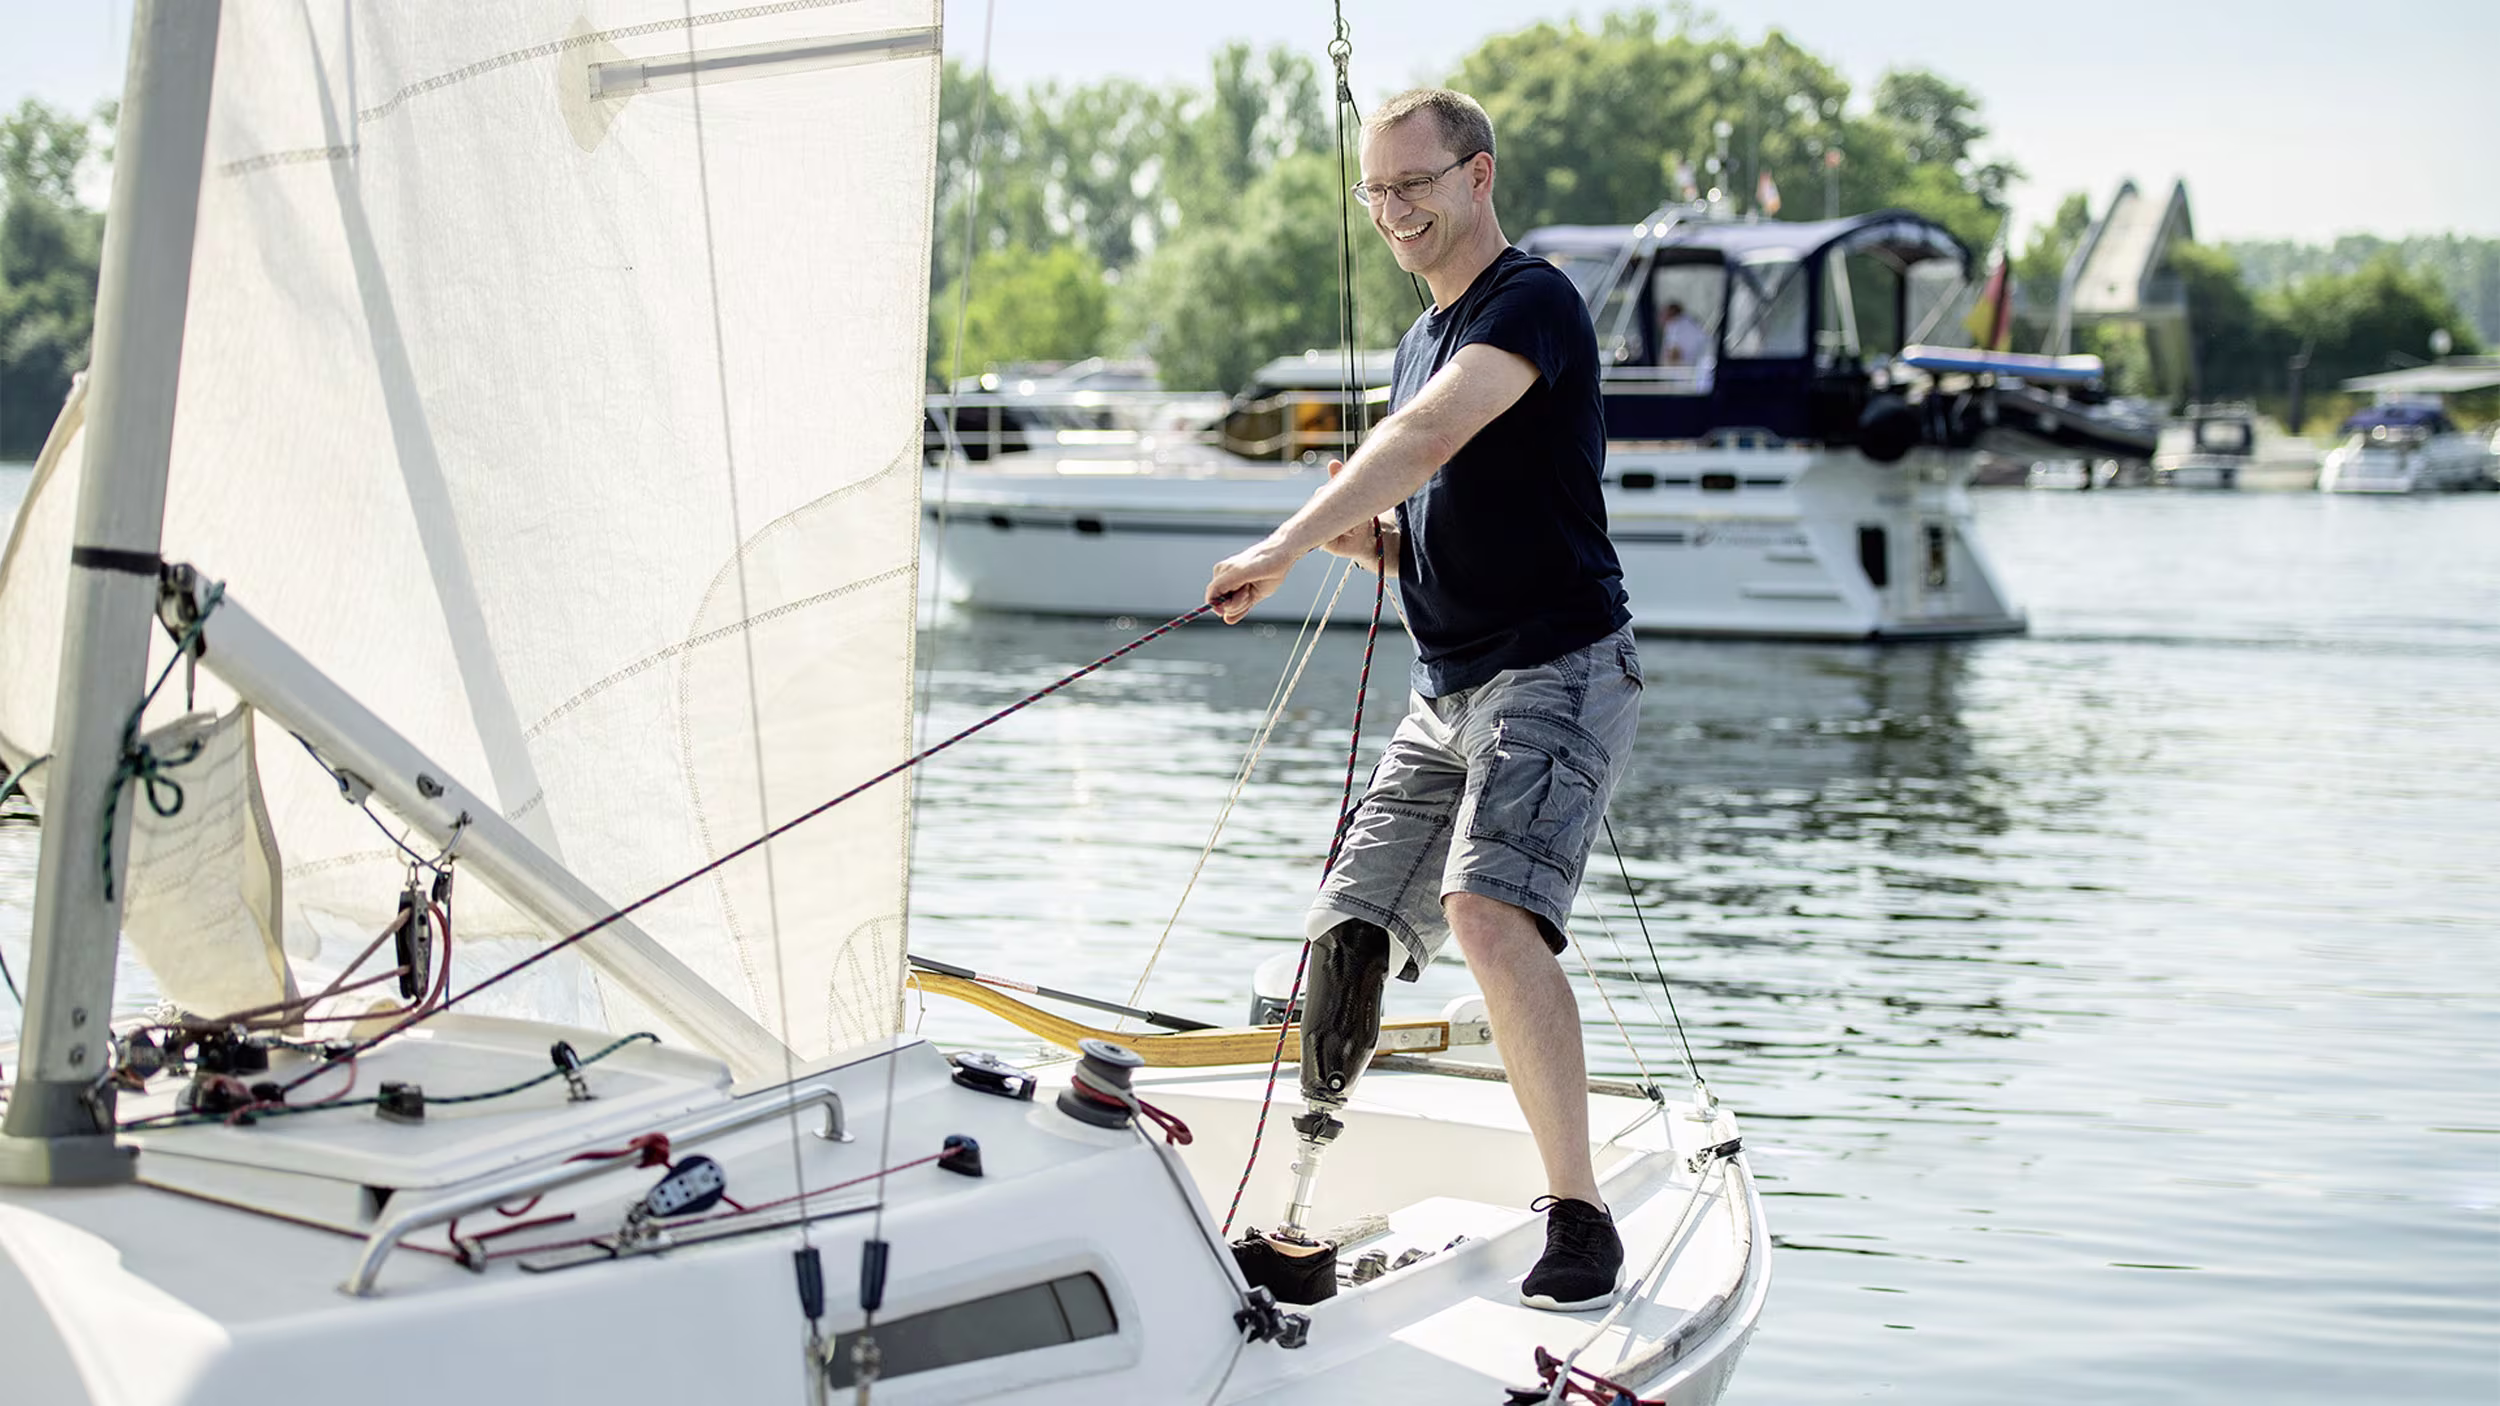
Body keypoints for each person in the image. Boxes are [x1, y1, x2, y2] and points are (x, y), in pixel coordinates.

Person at [1205, 87, 1641, 1313]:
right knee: (1341, 941)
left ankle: (1580, 1215)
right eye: (1375, 190)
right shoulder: (1419, 334)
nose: (1393, 210)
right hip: (1444, 690)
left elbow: (1438, 432)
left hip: (1560, 664)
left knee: (1486, 909)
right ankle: (1294, 1202)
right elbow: (1430, 527)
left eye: (1415, 184)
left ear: (1476, 177)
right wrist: (1357, 541)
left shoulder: (1529, 303)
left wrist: (1287, 541)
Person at [1657, 299, 1712, 370]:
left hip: (1690, 371)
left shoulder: (1673, 326)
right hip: (1705, 363)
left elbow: (1673, 354)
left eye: (1663, 314)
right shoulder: (1691, 321)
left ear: (1670, 313)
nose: (1660, 318)